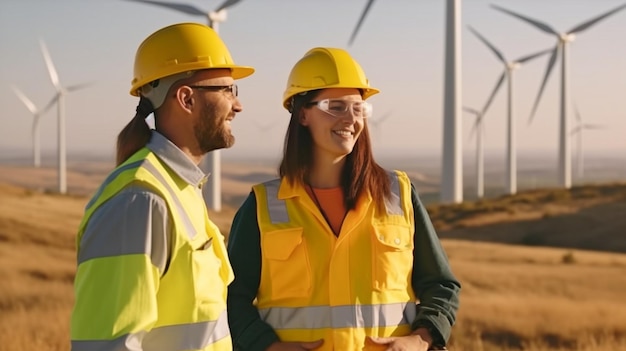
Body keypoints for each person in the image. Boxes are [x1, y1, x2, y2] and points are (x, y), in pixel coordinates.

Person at [226, 47, 461, 351]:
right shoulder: (262, 206)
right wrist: (268, 347)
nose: (351, 118)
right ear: (302, 114)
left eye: (358, 107)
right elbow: (230, 298)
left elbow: (442, 286)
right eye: (335, 106)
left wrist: (420, 339)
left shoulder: (398, 194)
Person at [70, 22, 254, 351]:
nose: (237, 105)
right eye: (228, 90)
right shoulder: (140, 200)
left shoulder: (179, 188)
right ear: (186, 98)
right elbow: (108, 345)